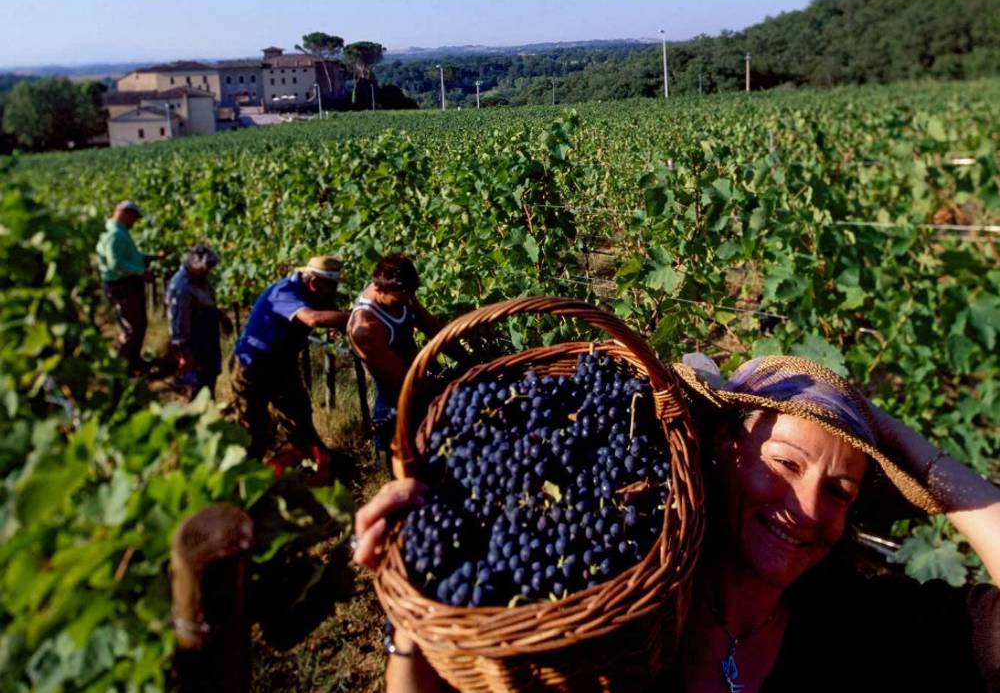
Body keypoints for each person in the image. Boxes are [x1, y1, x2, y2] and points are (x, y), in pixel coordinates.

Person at [352, 354, 1000, 693]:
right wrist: (416, 608)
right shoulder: (623, 608)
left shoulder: (864, 627)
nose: (805, 507)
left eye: (838, 490)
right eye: (783, 464)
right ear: (724, 450)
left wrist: (908, 450)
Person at [229, 255, 349, 471]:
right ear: (314, 283)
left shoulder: (316, 293)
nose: (333, 292)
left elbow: (332, 314)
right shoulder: (284, 292)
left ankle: (314, 463)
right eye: (330, 286)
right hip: (252, 366)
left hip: (282, 366)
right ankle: (244, 478)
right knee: (252, 427)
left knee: (299, 416)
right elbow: (312, 318)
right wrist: (351, 318)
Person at [347, 255, 470, 457]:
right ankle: (385, 462)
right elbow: (401, 380)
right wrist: (446, 386)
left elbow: (434, 329)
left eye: (410, 295)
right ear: (378, 289)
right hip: (395, 391)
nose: (407, 301)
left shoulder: (401, 292)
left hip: (415, 375)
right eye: (401, 299)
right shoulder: (366, 328)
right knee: (399, 448)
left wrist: (467, 360)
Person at [95, 200, 162, 375]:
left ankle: (133, 363)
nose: (134, 223)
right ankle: (122, 369)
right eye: (133, 218)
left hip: (126, 285)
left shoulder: (119, 232)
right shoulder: (115, 235)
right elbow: (115, 263)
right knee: (132, 327)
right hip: (122, 286)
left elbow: (128, 257)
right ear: (124, 213)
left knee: (138, 325)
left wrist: (152, 257)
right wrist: (141, 272)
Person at [166, 245, 232, 398]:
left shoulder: (200, 279)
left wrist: (221, 317)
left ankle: (208, 411)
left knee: (210, 377)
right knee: (197, 383)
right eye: (206, 267)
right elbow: (178, 322)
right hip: (195, 343)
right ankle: (195, 416)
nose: (208, 271)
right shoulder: (181, 287)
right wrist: (183, 353)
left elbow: (208, 303)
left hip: (207, 339)